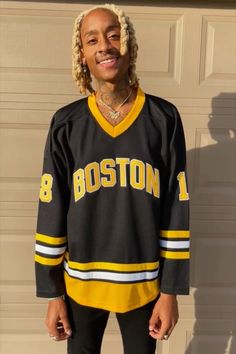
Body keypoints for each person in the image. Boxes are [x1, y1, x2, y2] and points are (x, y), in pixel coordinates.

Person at [34, 4, 190, 354]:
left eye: (113, 34)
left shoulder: (163, 119)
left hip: (143, 286)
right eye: (92, 40)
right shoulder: (67, 124)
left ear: (129, 45)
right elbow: (51, 209)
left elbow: (176, 210)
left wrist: (170, 291)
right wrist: (53, 292)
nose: (104, 45)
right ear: (82, 55)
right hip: (80, 286)